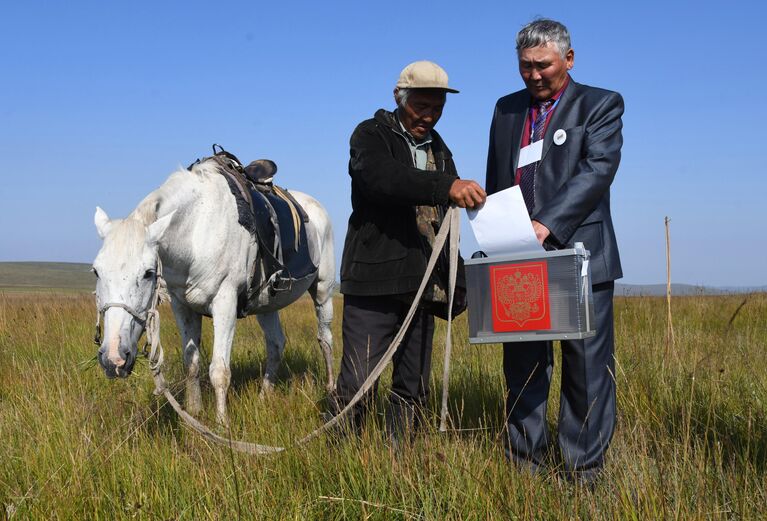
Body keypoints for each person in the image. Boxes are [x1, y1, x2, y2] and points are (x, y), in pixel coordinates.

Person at [485, 19, 624, 482]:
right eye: (524, 66)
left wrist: (548, 224)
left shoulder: (599, 105)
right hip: (518, 257)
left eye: (542, 65)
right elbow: (497, 179)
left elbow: (597, 171)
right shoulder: (506, 109)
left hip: (580, 256)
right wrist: (494, 234)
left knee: (585, 368)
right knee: (523, 365)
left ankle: (582, 472)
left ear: (569, 58)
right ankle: (524, 464)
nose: (534, 75)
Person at [332, 60, 486, 443]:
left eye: (437, 108)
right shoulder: (370, 136)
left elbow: (446, 223)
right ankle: (338, 463)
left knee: (412, 388)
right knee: (357, 383)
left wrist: (459, 278)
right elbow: (382, 180)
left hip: (423, 287)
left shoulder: (440, 150)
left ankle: (399, 463)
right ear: (399, 98)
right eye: (421, 107)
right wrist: (445, 186)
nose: (429, 116)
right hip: (374, 281)